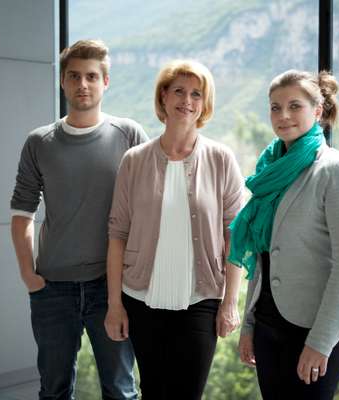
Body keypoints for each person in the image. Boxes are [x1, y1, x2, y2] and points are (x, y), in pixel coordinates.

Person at [10, 39, 148, 400]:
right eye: (74, 76)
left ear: (106, 81)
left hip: (112, 287)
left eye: (91, 76)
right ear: (63, 81)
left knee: (120, 390)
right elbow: (21, 212)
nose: (82, 84)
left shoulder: (129, 135)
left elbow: (152, 207)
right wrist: (29, 275)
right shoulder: (39, 141)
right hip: (52, 287)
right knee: (53, 390)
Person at [104, 59, 245, 399]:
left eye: (197, 94)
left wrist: (230, 302)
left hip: (201, 299)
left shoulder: (221, 158)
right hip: (140, 299)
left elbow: (236, 235)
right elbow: (117, 235)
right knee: (153, 390)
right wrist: (114, 305)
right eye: (179, 91)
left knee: (187, 393)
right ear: (163, 96)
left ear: (204, 105)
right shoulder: (134, 160)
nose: (188, 100)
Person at [232, 70, 339, 399]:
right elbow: (265, 256)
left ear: (317, 111)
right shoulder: (269, 170)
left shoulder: (338, 169)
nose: (284, 115)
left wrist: (320, 343)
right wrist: (249, 325)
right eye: (275, 107)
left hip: (319, 326)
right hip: (267, 323)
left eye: (295, 106)